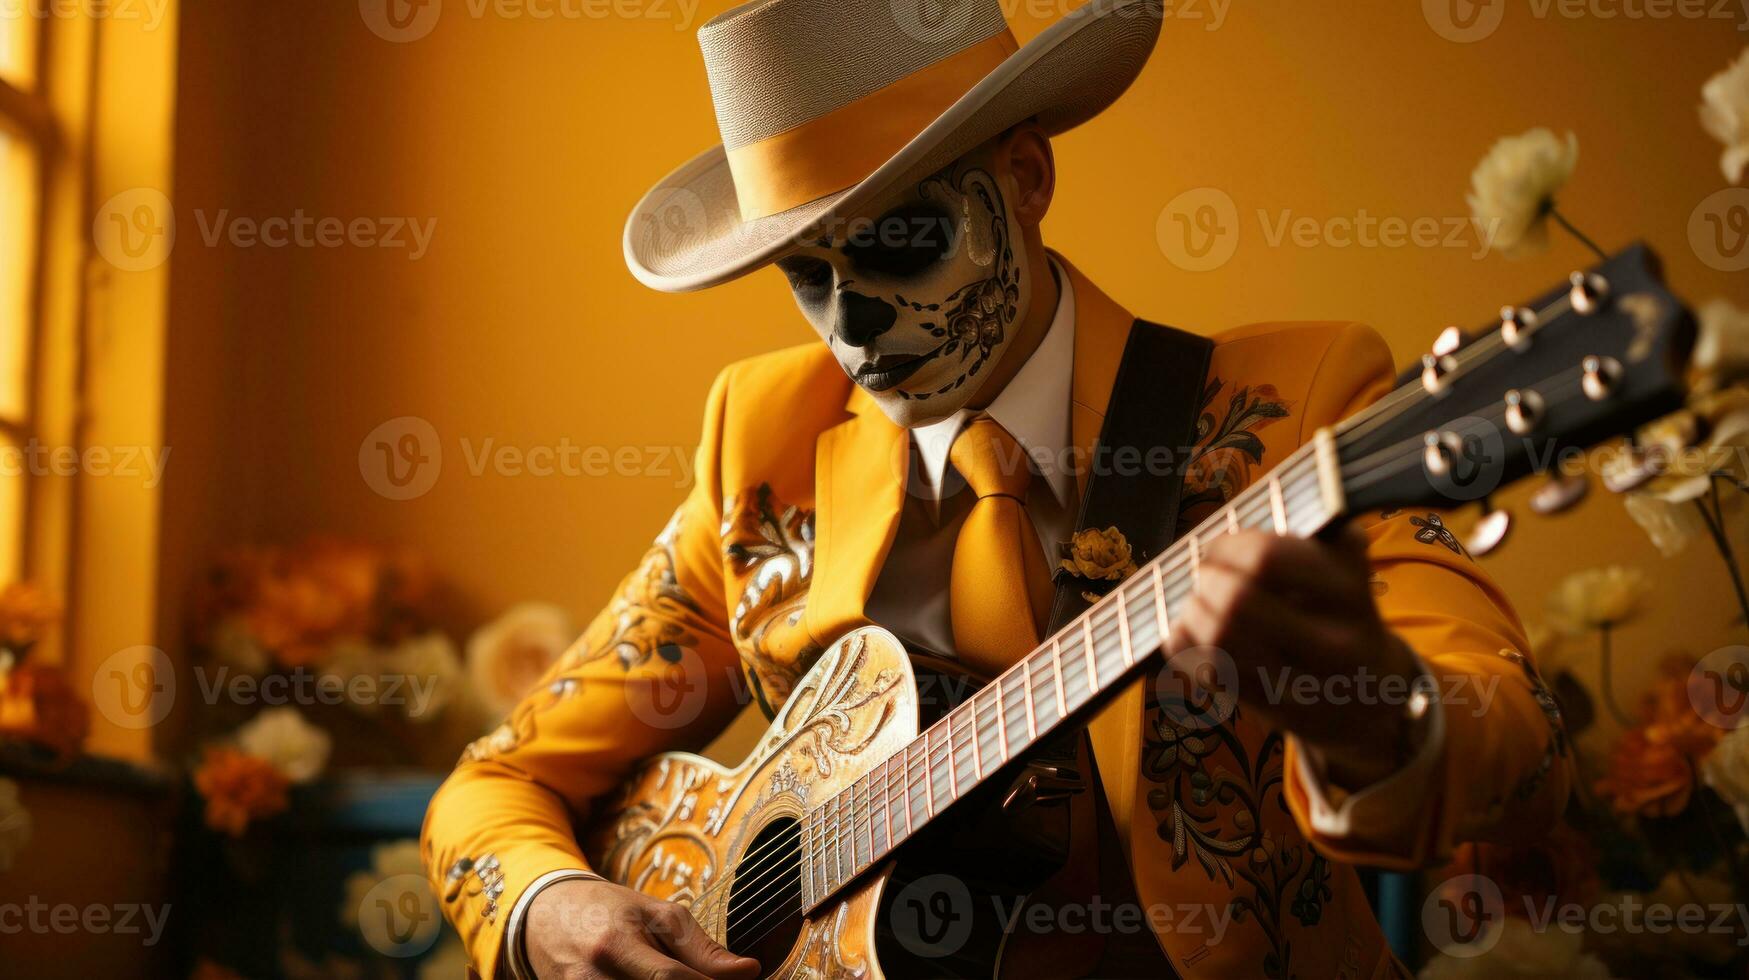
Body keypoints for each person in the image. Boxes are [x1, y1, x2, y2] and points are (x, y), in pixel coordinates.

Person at [423, 0, 1570, 976]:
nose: (855, 324)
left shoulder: (1290, 409)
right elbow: (500, 780)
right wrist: (548, 913)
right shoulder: (764, 446)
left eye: (902, 242)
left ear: (1026, 176)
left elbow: (1525, 751)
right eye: (808, 276)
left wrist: (1373, 713)